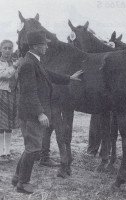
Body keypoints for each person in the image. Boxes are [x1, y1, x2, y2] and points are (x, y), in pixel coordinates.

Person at [11, 31, 83, 194]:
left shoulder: (34, 60)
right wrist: (40, 113)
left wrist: (69, 78)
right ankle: (23, 183)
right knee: (34, 148)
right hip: (32, 114)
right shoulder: (29, 63)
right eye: (44, 44)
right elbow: (29, 92)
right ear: (36, 46)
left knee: (30, 147)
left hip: (31, 112)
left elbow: (48, 75)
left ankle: (17, 176)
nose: (47, 46)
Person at [0, 40, 20, 160]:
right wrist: (15, 66)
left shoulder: (13, 62)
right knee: (1, 125)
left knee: (8, 125)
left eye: (10, 48)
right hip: (1, 94)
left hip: (12, 94)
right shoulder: (3, 63)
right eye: (5, 48)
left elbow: (16, 77)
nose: (8, 51)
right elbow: (5, 75)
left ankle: (7, 152)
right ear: (1, 49)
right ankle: (1, 152)